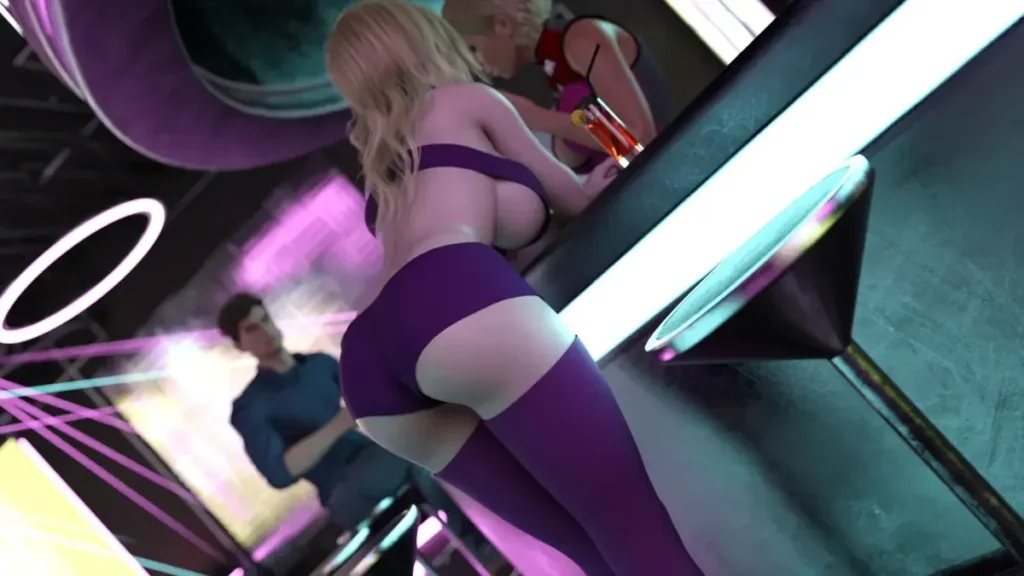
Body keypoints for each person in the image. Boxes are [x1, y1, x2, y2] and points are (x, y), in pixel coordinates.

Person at [325, 3, 703, 576]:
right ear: (426, 38)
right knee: (628, 521)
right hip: (451, 298)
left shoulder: (385, 164)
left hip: (369, 363)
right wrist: (590, 183)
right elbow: (571, 197)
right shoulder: (467, 100)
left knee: (590, 548)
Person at [217, 293, 483, 551]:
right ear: (239, 345)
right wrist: (340, 423)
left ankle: (481, 539)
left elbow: (374, 403)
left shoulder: (319, 364)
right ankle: (480, 545)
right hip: (342, 490)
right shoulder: (251, 407)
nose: (264, 330)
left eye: (265, 319)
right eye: (251, 328)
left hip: (376, 457)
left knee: (436, 432)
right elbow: (279, 474)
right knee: (413, 453)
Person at [441, 0, 675, 173]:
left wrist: (534, 116)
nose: (477, 63)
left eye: (472, 48)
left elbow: (637, 144)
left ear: (502, 24)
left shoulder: (583, 40)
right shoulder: (556, 61)